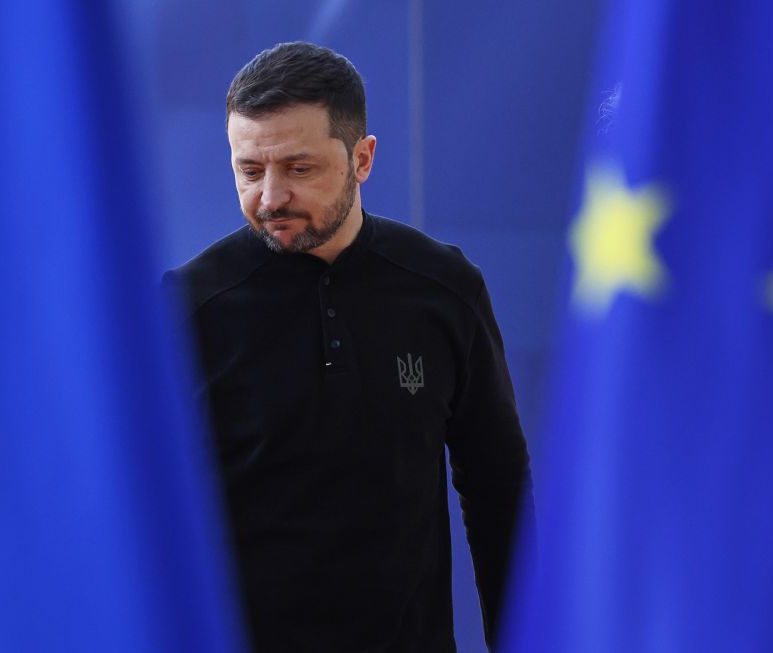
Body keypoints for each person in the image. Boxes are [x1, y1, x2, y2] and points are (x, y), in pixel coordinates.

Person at [164, 41, 534, 653]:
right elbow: (146, 522)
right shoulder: (184, 310)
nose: (270, 197)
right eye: (249, 171)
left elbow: (499, 492)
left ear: (362, 159)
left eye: (298, 169)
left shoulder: (444, 289)